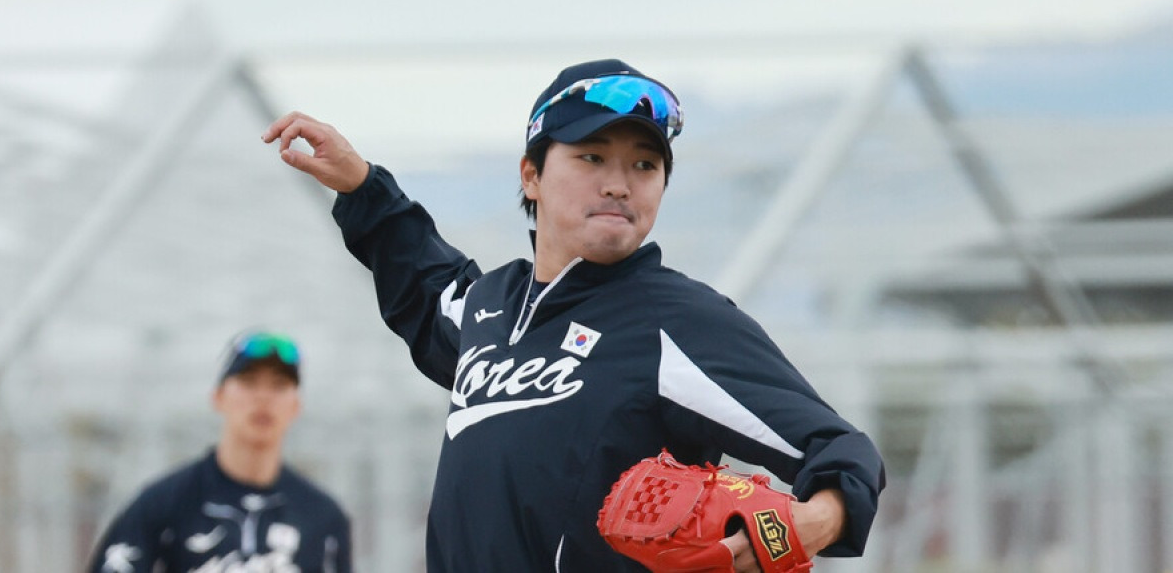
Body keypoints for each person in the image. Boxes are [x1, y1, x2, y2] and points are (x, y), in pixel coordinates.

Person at [263, 58, 885, 572]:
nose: (620, 183)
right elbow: (427, 280)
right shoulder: (489, 309)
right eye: (592, 157)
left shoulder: (678, 322)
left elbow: (839, 449)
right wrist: (361, 185)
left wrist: (813, 521)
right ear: (531, 175)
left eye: (645, 165)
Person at [86, 330, 352, 573]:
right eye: (248, 382)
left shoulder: (322, 516)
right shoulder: (164, 504)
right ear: (218, 397)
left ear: (295, 406)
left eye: (279, 385)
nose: (263, 397)